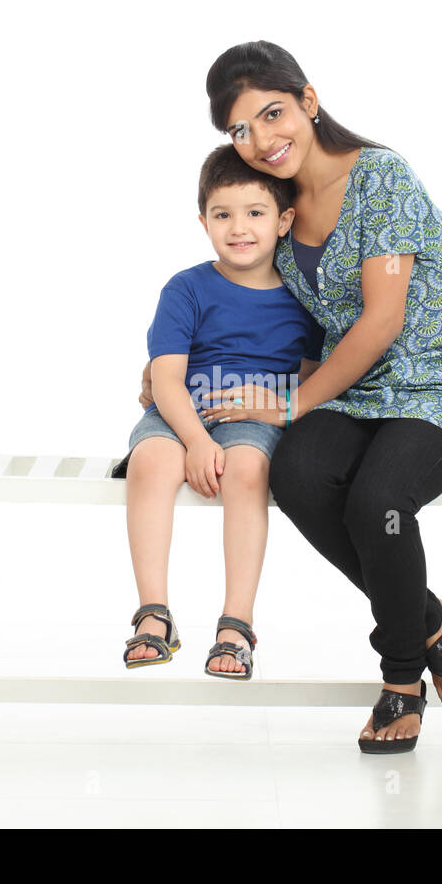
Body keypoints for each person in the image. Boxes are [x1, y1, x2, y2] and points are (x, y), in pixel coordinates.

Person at [137, 41, 442, 752]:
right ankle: (428, 617)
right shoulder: (273, 208)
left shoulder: (383, 179)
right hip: (353, 394)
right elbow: (244, 305)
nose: (261, 141)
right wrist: (166, 373)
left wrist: (289, 405)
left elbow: (381, 321)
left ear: (309, 100)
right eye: (240, 130)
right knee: (298, 474)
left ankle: (402, 674)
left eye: (273, 114)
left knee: (380, 503)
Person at [113, 143, 325, 680]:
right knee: (151, 462)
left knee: (248, 470)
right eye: (222, 214)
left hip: (254, 420)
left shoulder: (304, 297)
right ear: (203, 219)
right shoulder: (187, 287)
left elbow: (311, 377)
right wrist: (197, 440)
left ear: (284, 220)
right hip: (180, 408)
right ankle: (153, 612)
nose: (239, 227)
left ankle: (236, 624)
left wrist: (278, 410)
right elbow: (164, 377)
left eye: (255, 213)